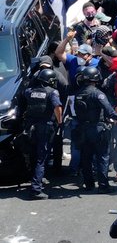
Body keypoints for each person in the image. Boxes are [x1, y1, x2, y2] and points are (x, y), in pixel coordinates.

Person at [73, 66, 117, 193]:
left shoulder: (78, 93)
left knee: (86, 157)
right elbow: (108, 109)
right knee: (103, 157)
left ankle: (88, 184)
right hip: (98, 129)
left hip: (83, 129)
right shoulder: (97, 93)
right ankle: (103, 185)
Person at [18, 69, 62, 199]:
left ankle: (34, 180)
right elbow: (58, 107)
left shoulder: (29, 91)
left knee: (33, 155)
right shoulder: (52, 92)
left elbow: (22, 101)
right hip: (45, 127)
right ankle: (36, 189)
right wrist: (59, 122)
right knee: (41, 158)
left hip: (30, 128)